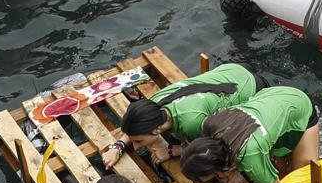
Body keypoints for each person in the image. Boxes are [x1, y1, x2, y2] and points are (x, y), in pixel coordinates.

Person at [106, 63, 259, 170]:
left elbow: (214, 148)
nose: (136, 147)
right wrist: (118, 147)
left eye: (139, 141)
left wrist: (173, 150)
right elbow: (135, 127)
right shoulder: (154, 104)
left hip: (251, 87)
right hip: (231, 70)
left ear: (156, 130)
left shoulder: (191, 123)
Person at [181, 86, 322, 183]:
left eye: (213, 179)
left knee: (303, 175)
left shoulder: (248, 155)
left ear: (219, 169)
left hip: (298, 105)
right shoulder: (208, 125)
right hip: (270, 96)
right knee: (277, 169)